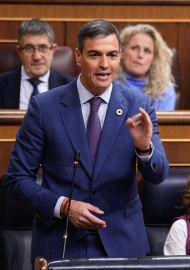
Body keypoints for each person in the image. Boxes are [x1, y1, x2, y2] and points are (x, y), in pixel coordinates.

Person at [5, 19, 169, 263]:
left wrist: (145, 148)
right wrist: (64, 206)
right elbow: (16, 181)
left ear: (119, 56)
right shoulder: (44, 107)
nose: (105, 64)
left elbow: (158, 175)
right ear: (79, 56)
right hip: (61, 243)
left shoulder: (139, 105)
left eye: (112, 55)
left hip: (123, 245)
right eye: (95, 55)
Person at [0, 18, 74, 109]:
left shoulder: (71, 87)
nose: (37, 57)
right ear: (19, 51)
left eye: (43, 48)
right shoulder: (2, 84)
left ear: (53, 50)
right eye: (29, 48)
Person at [115, 24, 176, 110]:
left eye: (147, 51)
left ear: (154, 59)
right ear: (121, 52)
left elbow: (161, 123)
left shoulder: (164, 91)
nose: (140, 55)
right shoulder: (106, 83)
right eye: (134, 48)